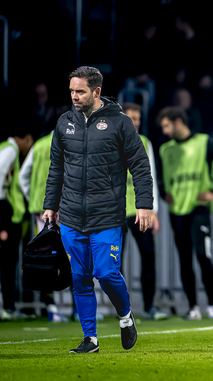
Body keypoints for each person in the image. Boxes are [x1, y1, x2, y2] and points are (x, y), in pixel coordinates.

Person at [43, 66, 154, 353]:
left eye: (80, 91)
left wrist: (144, 204)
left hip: (106, 215)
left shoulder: (121, 123)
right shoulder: (64, 123)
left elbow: (141, 166)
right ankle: (90, 338)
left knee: (106, 273)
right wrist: (49, 206)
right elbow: (56, 169)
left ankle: (125, 315)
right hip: (70, 216)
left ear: (97, 91)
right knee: (79, 278)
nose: (74, 96)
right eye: (71, 91)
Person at [157, 106, 213, 320]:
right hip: (177, 212)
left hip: (199, 209)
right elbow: (162, 177)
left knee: (203, 255)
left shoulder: (204, 142)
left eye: (166, 126)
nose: (164, 131)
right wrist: (164, 192)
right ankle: (192, 307)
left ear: (178, 122)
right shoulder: (165, 150)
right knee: (184, 259)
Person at [19, 121, 71, 323]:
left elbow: (24, 176)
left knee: (43, 258)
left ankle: (50, 307)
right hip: (66, 210)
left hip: (41, 213)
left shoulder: (39, 145)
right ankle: (78, 307)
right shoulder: (69, 143)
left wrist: (33, 199)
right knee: (71, 255)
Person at [121, 103, 167, 321]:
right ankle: (122, 309)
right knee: (114, 262)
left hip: (141, 211)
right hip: (116, 211)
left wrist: (154, 210)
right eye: (132, 118)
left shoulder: (145, 142)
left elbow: (151, 177)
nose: (136, 122)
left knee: (148, 257)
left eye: (138, 118)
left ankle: (149, 306)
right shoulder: (110, 141)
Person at [0, 125, 31, 320]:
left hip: (10, 214)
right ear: (26, 138)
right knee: (8, 263)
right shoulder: (10, 151)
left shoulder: (5, 148)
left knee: (9, 262)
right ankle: (8, 308)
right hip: (7, 215)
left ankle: (9, 307)